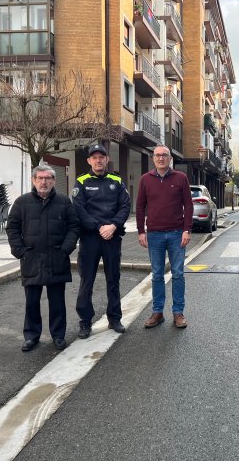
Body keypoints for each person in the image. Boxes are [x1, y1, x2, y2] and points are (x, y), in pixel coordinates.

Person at [6, 165, 80, 352]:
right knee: (31, 302)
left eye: (48, 178)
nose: (44, 182)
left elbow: (74, 226)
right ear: (33, 180)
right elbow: (12, 228)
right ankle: (31, 336)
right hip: (31, 258)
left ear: (54, 181)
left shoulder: (64, 202)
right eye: (40, 178)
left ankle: (58, 335)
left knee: (57, 301)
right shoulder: (22, 202)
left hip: (57, 257)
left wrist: (65, 249)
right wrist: (20, 251)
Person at [73, 143, 131, 338]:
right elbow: (79, 209)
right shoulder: (81, 181)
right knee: (86, 281)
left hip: (112, 237)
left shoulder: (117, 180)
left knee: (113, 280)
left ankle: (114, 318)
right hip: (90, 238)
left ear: (107, 159)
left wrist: (113, 226)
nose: (98, 160)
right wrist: (99, 227)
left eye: (101, 157)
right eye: (94, 157)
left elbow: (125, 206)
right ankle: (85, 322)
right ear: (89, 161)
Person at [136, 144, 193, 329]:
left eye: (164, 155)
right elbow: (139, 207)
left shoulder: (181, 178)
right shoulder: (145, 179)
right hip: (154, 235)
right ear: (153, 158)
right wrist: (141, 231)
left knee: (178, 274)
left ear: (170, 158)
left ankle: (178, 313)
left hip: (177, 234)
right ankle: (157, 312)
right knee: (157, 275)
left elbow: (188, 206)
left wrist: (187, 230)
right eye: (157, 155)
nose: (161, 158)